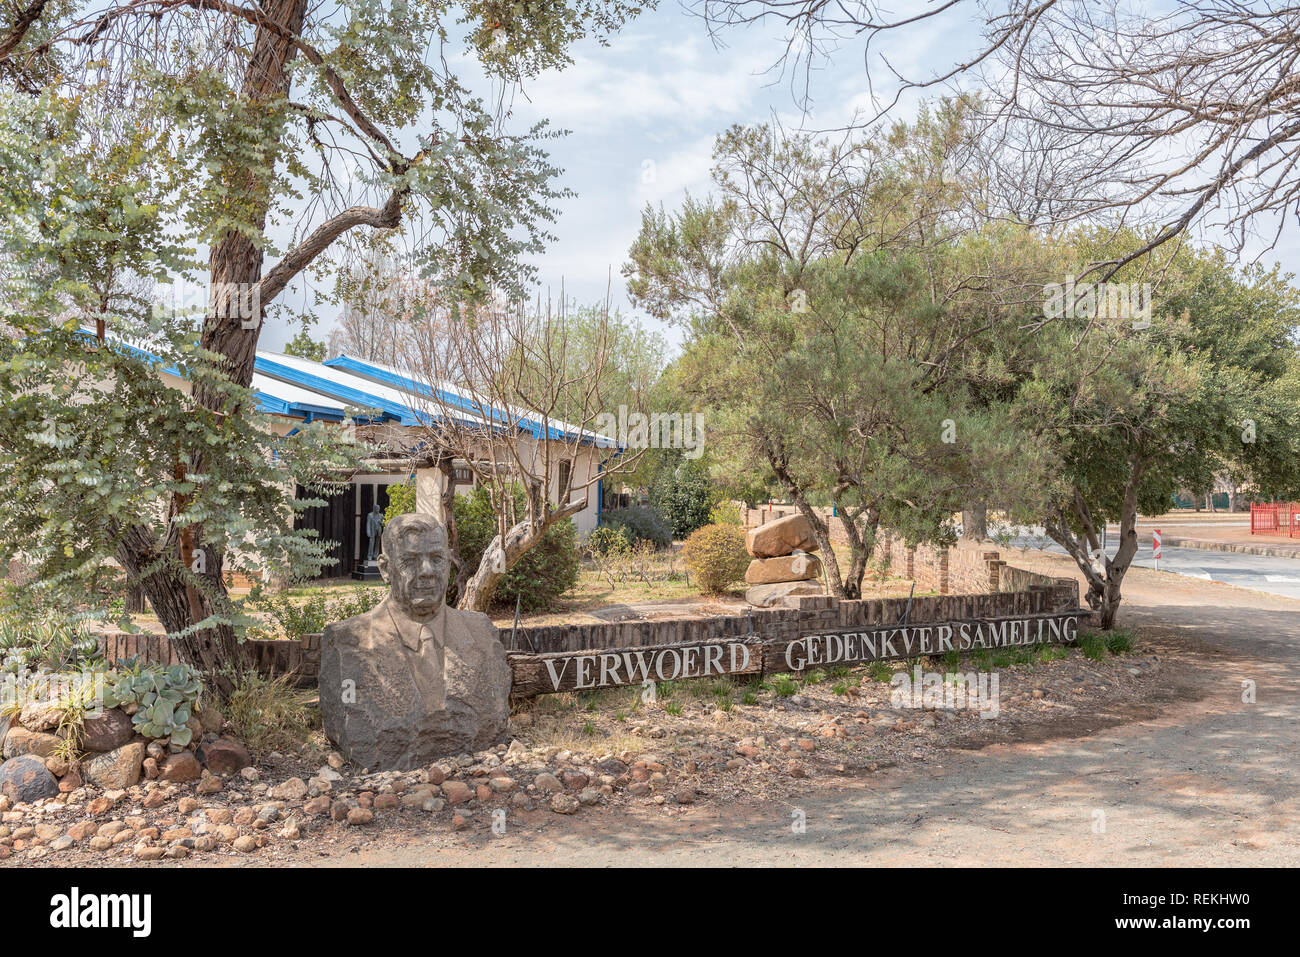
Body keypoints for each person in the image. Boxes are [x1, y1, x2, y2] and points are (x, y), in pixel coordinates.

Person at [320, 513, 511, 769]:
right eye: (410, 561)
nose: (427, 572)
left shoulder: (481, 632)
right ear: (386, 569)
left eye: (436, 559)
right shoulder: (349, 642)